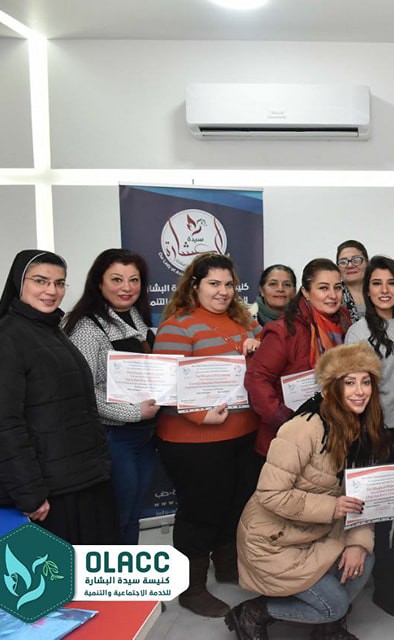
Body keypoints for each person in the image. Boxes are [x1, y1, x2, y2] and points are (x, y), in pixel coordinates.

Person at [226, 342, 390, 640]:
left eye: (366, 382)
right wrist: (332, 507)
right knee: (333, 606)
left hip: (318, 532)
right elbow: (271, 494)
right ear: (330, 389)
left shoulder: (368, 431)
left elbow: (364, 500)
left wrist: (357, 543)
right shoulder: (303, 428)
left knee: (364, 557)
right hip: (275, 541)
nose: (359, 391)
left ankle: (326, 629)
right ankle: (254, 612)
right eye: (349, 383)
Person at [0, 250, 118, 544]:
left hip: (81, 482)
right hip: (48, 495)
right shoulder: (2, 342)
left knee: (92, 582)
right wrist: (30, 494)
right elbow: (0, 426)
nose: (52, 291)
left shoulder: (52, 331)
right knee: (56, 585)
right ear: (19, 282)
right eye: (41, 280)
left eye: (60, 283)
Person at [153, 253, 262, 617]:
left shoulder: (245, 323)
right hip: (193, 442)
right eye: (214, 284)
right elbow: (164, 389)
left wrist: (257, 347)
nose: (223, 291)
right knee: (200, 512)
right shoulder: (177, 327)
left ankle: (228, 565)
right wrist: (200, 416)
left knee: (236, 504)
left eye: (229, 284)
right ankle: (191, 587)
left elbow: (266, 366)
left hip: (242, 435)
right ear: (194, 285)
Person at [63, 248, 159, 545]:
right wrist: (133, 413)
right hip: (113, 438)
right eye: (117, 279)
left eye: (134, 280)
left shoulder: (137, 320)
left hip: (145, 438)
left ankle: (127, 586)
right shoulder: (86, 327)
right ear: (99, 283)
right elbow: (83, 392)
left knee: (132, 516)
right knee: (115, 517)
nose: (126, 288)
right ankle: (108, 588)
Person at [344, 256, 394, 618]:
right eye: (377, 283)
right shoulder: (359, 332)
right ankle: (386, 588)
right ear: (367, 289)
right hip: (377, 431)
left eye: (392, 283)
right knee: (381, 512)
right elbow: (356, 390)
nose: (385, 290)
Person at [246, 259, 352, 457]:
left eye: (337, 288)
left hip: (335, 434)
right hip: (287, 438)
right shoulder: (285, 330)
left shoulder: (345, 322)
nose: (332, 295)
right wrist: (286, 419)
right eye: (323, 288)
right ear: (305, 292)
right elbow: (256, 379)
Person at [337, 240, 369, 321]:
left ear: (367, 263)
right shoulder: (333, 296)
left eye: (356, 260)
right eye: (343, 262)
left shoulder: (380, 291)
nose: (350, 265)